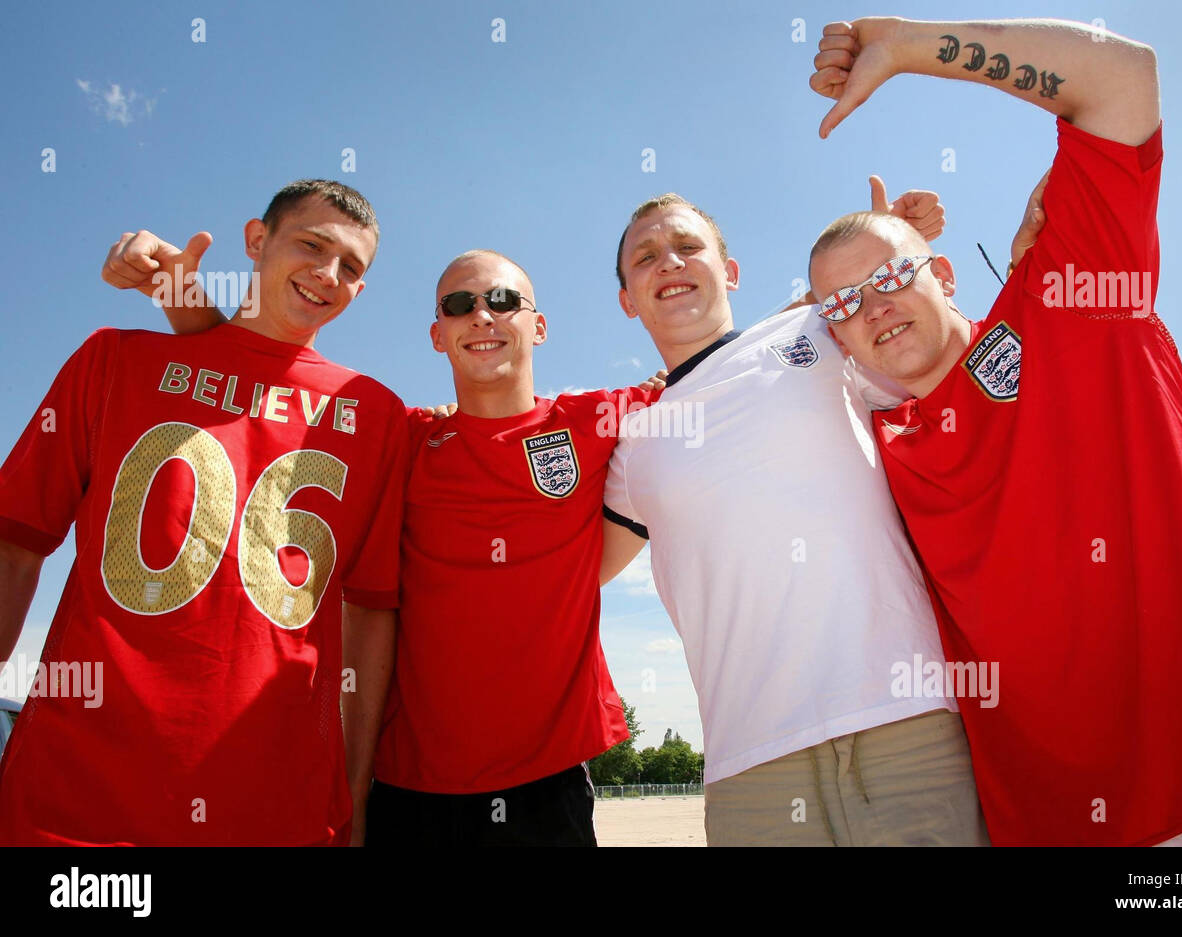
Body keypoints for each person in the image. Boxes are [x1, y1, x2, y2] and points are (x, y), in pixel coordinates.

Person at [805, 15, 1182, 845]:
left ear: (947, 273)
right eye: (844, 303)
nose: (875, 304)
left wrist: (906, 48)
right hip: (1068, 822)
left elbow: (1124, 79)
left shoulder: (1068, 300)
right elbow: (758, 363)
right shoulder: (869, 440)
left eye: (892, 277)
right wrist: (882, 254)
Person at [101, 236, 662, 845]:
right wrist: (182, 301)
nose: (481, 314)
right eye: (458, 304)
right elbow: (273, 388)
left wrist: (784, 324)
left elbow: (715, 376)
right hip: (405, 784)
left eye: (503, 300)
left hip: (545, 784)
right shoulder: (402, 436)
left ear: (540, 325)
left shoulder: (601, 419)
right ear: (436, 335)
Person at [0, 180, 409, 844]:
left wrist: (356, 798)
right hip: (74, 801)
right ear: (256, 240)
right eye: (312, 244)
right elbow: (15, 542)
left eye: (352, 268)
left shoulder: (375, 415)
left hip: (276, 805)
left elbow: (369, 611)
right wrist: (183, 301)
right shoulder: (115, 359)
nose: (328, 274)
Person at [601, 181, 996, 844]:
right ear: (626, 300)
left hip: (910, 718)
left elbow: (936, 349)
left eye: (687, 246)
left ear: (729, 270)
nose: (669, 262)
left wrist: (899, 248)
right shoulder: (631, 443)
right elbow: (569, 576)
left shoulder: (825, 327)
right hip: (751, 762)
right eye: (645, 257)